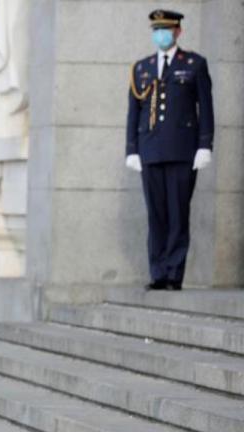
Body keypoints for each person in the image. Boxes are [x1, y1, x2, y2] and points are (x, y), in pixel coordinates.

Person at [125, 9, 213, 290]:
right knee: (156, 214)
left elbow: (206, 109)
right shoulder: (142, 68)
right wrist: (131, 149)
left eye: (165, 30)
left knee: (178, 213)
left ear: (177, 32)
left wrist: (204, 145)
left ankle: (174, 274)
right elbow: (133, 112)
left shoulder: (194, 64)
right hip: (150, 151)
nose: (159, 35)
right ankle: (158, 272)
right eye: (155, 30)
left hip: (181, 151)